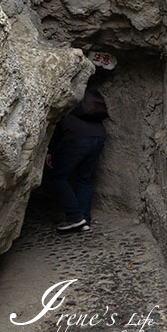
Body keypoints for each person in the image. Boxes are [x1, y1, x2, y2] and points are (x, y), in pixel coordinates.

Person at [45, 87, 107, 232]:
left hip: (76, 137)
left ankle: (75, 217)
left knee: (57, 177)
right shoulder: (83, 94)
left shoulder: (62, 95)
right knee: (84, 178)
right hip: (99, 135)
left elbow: (56, 127)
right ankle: (85, 220)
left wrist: (51, 151)